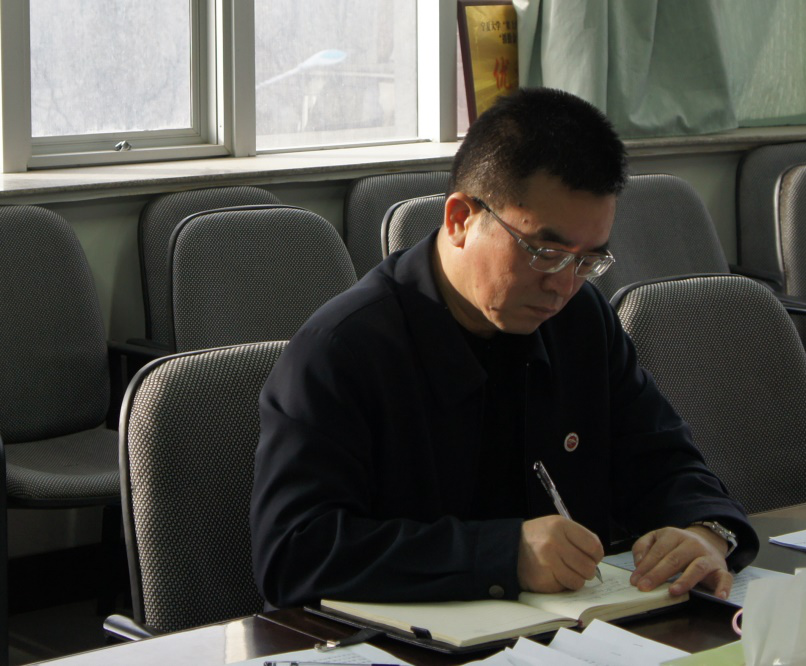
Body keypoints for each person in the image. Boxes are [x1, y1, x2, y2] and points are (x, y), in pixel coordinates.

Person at [251, 87, 759, 609]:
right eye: (545, 252)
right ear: (460, 219)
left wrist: (705, 531)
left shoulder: (580, 319)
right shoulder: (343, 350)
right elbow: (293, 554)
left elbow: (663, 460)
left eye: (587, 261)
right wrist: (503, 555)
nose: (563, 285)